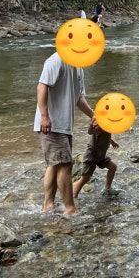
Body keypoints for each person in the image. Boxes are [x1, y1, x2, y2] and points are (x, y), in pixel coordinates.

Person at [34, 50, 94, 215]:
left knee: (54, 165)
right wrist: (45, 116)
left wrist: (94, 115)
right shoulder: (56, 60)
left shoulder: (78, 68)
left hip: (64, 125)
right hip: (51, 124)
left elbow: (78, 99)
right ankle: (70, 209)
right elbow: (41, 86)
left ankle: (47, 207)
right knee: (65, 164)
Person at [73, 122, 120, 198]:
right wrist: (91, 126)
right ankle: (73, 197)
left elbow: (106, 135)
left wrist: (112, 142)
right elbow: (90, 132)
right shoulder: (100, 122)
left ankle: (107, 189)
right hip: (92, 153)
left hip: (101, 154)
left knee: (113, 167)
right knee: (85, 178)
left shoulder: (109, 122)